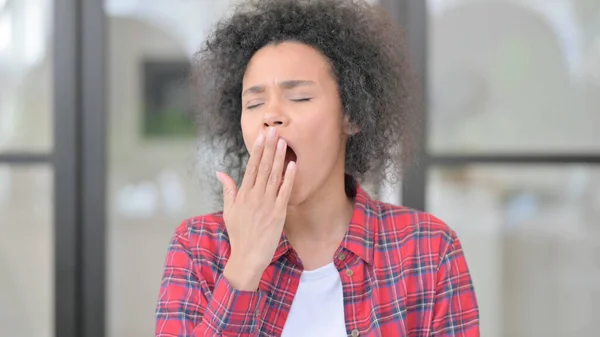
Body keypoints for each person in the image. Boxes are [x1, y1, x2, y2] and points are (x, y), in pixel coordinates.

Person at [155, 0, 480, 336]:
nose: (271, 115)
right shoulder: (197, 247)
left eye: (300, 98)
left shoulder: (429, 249)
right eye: (254, 103)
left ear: (351, 115)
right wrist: (244, 266)